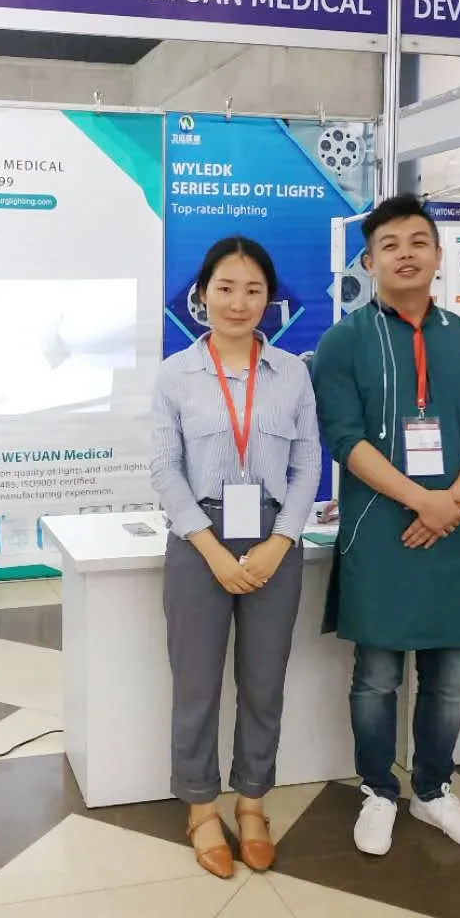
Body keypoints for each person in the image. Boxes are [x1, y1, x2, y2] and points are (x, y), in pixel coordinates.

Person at [310, 195, 460, 857]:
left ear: (439, 255)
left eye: (419, 241)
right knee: (377, 676)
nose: (406, 254)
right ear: (368, 262)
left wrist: (450, 500)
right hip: (378, 530)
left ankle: (434, 791)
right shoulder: (344, 341)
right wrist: (423, 500)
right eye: (389, 245)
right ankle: (377, 791)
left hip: (451, 530)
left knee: (450, 677)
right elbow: (345, 439)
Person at [150, 236, 321, 879]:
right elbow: (164, 468)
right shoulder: (175, 374)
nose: (239, 302)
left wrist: (282, 540)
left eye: (253, 290)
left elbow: (308, 464)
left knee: (264, 681)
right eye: (225, 288)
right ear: (202, 295)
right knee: (195, 684)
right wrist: (210, 548)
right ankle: (200, 807)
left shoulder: (293, 373)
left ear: (269, 298)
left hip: (274, 538)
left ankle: (252, 803)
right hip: (200, 540)